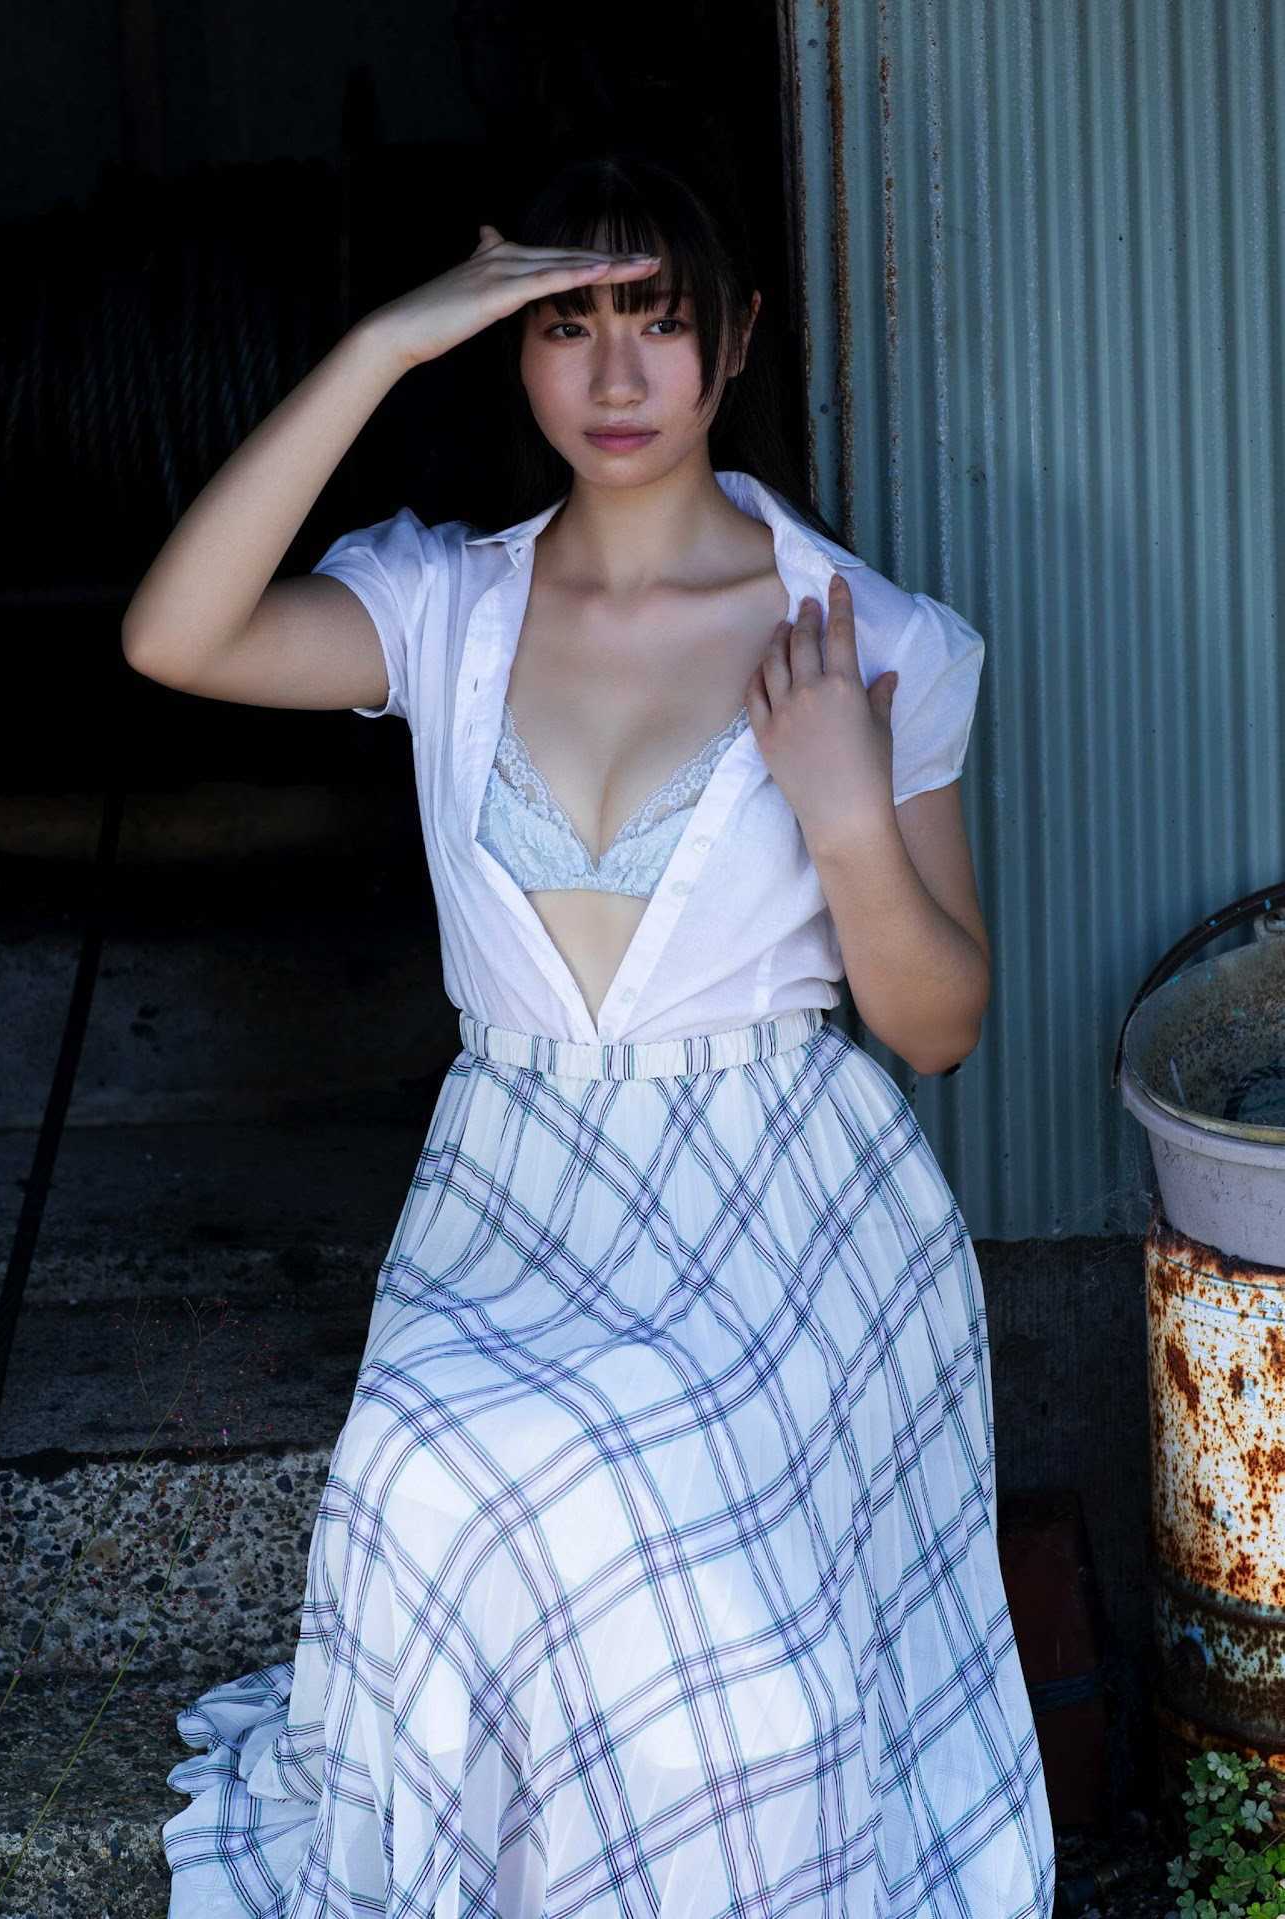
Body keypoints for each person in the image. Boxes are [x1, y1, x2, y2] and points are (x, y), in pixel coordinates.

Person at [127, 146, 1056, 1918]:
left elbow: (937, 1027)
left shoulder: (870, 635)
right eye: (567, 325)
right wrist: (383, 343)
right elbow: (176, 637)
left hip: (780, 1207)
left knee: (649, 1495)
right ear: (511, 344)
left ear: (740, 338)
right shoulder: (447, 605)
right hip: (515, 1184)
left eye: (662, 321)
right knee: (434, 1458)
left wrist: (846, 814)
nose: (617, 376)